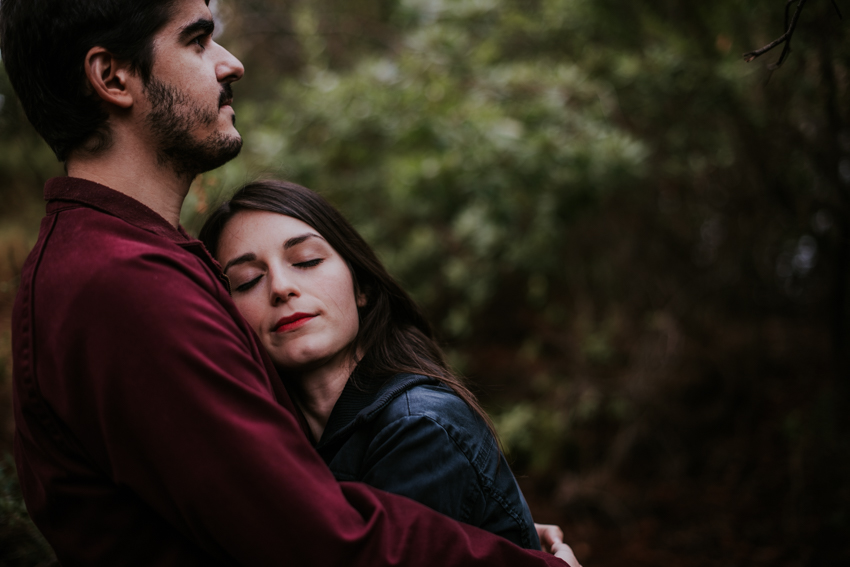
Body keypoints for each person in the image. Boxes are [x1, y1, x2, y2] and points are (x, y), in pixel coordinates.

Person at [0, 0, 577, 565]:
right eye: (197, 40)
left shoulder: (122, 260)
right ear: (113, 77)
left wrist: (485, 516)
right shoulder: (122, 283)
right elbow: (314, 541)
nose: (230, 64)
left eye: (306, 261)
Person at [199, 179, 539, 549]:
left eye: (306, 261)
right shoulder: (277, 442)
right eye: (247, 281)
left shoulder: (419, 428)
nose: (281, 287)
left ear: (362, 287)